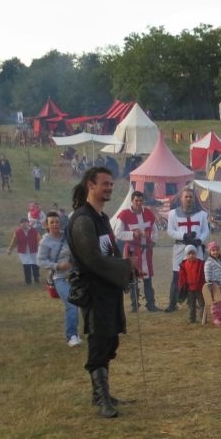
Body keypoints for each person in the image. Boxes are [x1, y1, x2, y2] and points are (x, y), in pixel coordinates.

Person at [68, 167, 137, 418]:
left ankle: (102, 393)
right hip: (94, 292)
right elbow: (92, 260)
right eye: (104, 184)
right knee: (99, 342)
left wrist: (127, 269)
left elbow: (110, 251)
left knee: (110, 339)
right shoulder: (83, 220)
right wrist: (125, 266)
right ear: (90, 185)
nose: (109, 188)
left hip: (109, 290)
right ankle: (101, 399)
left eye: (111, 184)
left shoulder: (102, 218)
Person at [37, 211, 81, 347]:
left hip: (75, 275)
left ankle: (78, 332)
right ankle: (71, 336)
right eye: (52, 222)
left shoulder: (66, 236)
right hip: (60, 278)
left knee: (81, 304)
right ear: (47, 225)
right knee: (71, 304)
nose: (55, 224)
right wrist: (57, 265)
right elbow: (40, 261)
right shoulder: (45, 242)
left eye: (57, 222)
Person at [165, 185, 210, 312]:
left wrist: (199, 240)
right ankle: (172, 304)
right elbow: (170, 231)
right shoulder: (173, 214)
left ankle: (196, 303)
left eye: (190, 197)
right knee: (176, 276)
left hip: (196, 248)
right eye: (186, 197)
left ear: (194, 199)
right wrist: (183, 235)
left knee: (197, 276)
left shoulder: (202, 215)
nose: (188, 199)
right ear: (181, 198)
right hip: (180, 247)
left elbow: (206, 231)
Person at [115, 190, 161, 311]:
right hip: (132, 249)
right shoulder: (125, 214)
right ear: (132, 201)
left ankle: (150, 304)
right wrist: (132, 234)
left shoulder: (148, 213)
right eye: (136, 200)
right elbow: (118, 233)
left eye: (141, 200)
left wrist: (153, 242)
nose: (139, 203)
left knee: (147, 277)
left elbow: (155, 230)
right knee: (133, 276)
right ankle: (134, 305)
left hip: (146, 249)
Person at [178, 245, 207, 323]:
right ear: (186, 255)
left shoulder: (201, 264)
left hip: (200, 288)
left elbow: (204, 275)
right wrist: (181, 286)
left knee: (202, 304)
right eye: (189, 253)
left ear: (196, 254)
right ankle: (192, 319)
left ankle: (203, 319)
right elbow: (181, 277)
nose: (191, 255)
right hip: (189, 289)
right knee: (191, 305)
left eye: (193, 253)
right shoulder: (183, 265)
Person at [205, 240, 221, 325]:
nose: (215, 252)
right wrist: (209, 283)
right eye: (213, 250)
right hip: (214, 285)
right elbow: (207, 274)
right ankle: (216, 318)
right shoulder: (208, 263)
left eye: (217, 250)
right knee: (215, 303)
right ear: (210, 252)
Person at [8, 217, 41, 284]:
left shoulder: (34, 231)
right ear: (20, 224)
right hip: (23, 252)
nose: (24, 224)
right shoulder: (17, 232)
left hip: (34, 250)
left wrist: (41, 248)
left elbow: (39, 240)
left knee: (35, 265)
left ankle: (36, 279)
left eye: (25, 222)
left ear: (28, 223)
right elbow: (14, 242)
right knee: (26, 266)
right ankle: (28, 281)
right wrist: (10, 249)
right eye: (22, 223)